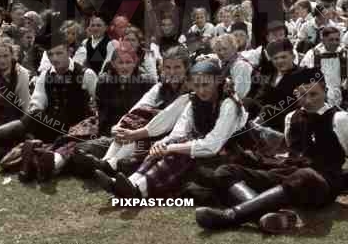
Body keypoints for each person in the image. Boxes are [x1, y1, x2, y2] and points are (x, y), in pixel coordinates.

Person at [195, 67, 348, 234]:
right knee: (226, 171)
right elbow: (293, 153)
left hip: (321, 183)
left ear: (325, 92)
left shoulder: (339, 119)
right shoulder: (292, 118)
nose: (307, 100)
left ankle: (231, 215)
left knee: (305, 176)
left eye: (314, 95)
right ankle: (268, 217)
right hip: (289, 176)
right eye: (302, 95)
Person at [94, 61, 248, 199]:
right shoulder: (193, 100)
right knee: (167, 146)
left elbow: (213, 144)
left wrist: (171, 147)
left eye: (206, 85)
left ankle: (139, 190)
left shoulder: (229, 104)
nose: (201, 91)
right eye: (197, 85)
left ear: (217, 81)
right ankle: (129, 182)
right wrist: (162, 144)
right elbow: (179, 132)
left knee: (179, 152)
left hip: (226, 150)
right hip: (203, 146)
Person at [0, 31, 97, 171]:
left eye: (59, 53)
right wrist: (30, 121)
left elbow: (99, 103)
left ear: (69, 52)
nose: (55, 58)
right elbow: (37, 103)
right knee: (27, 129)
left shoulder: (86, 74)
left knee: (29, 122)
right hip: (51, 125)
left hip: (76, 127)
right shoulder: (45, 75)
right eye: (50, 54)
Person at [74, 46, 190, 175]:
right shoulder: (160, 87)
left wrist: (134, 133)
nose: (172, 72)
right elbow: (139, 107)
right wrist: (119, 127)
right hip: (135, 133)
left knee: (137, 135)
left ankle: (111, 164)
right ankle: (106, 162)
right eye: (168, 67)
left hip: (165, 138)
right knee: (82, 147)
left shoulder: (189, 93)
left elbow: (166, 120)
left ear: (186, 68)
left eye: (177, 67)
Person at [300, 26, 348, 107]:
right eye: (331, 40)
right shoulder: (312, 54)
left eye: (337, 39)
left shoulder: (347, 54)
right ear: (323, 40)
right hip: (317, 98)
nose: (334, 43)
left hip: (341, 97)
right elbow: (303, 78)